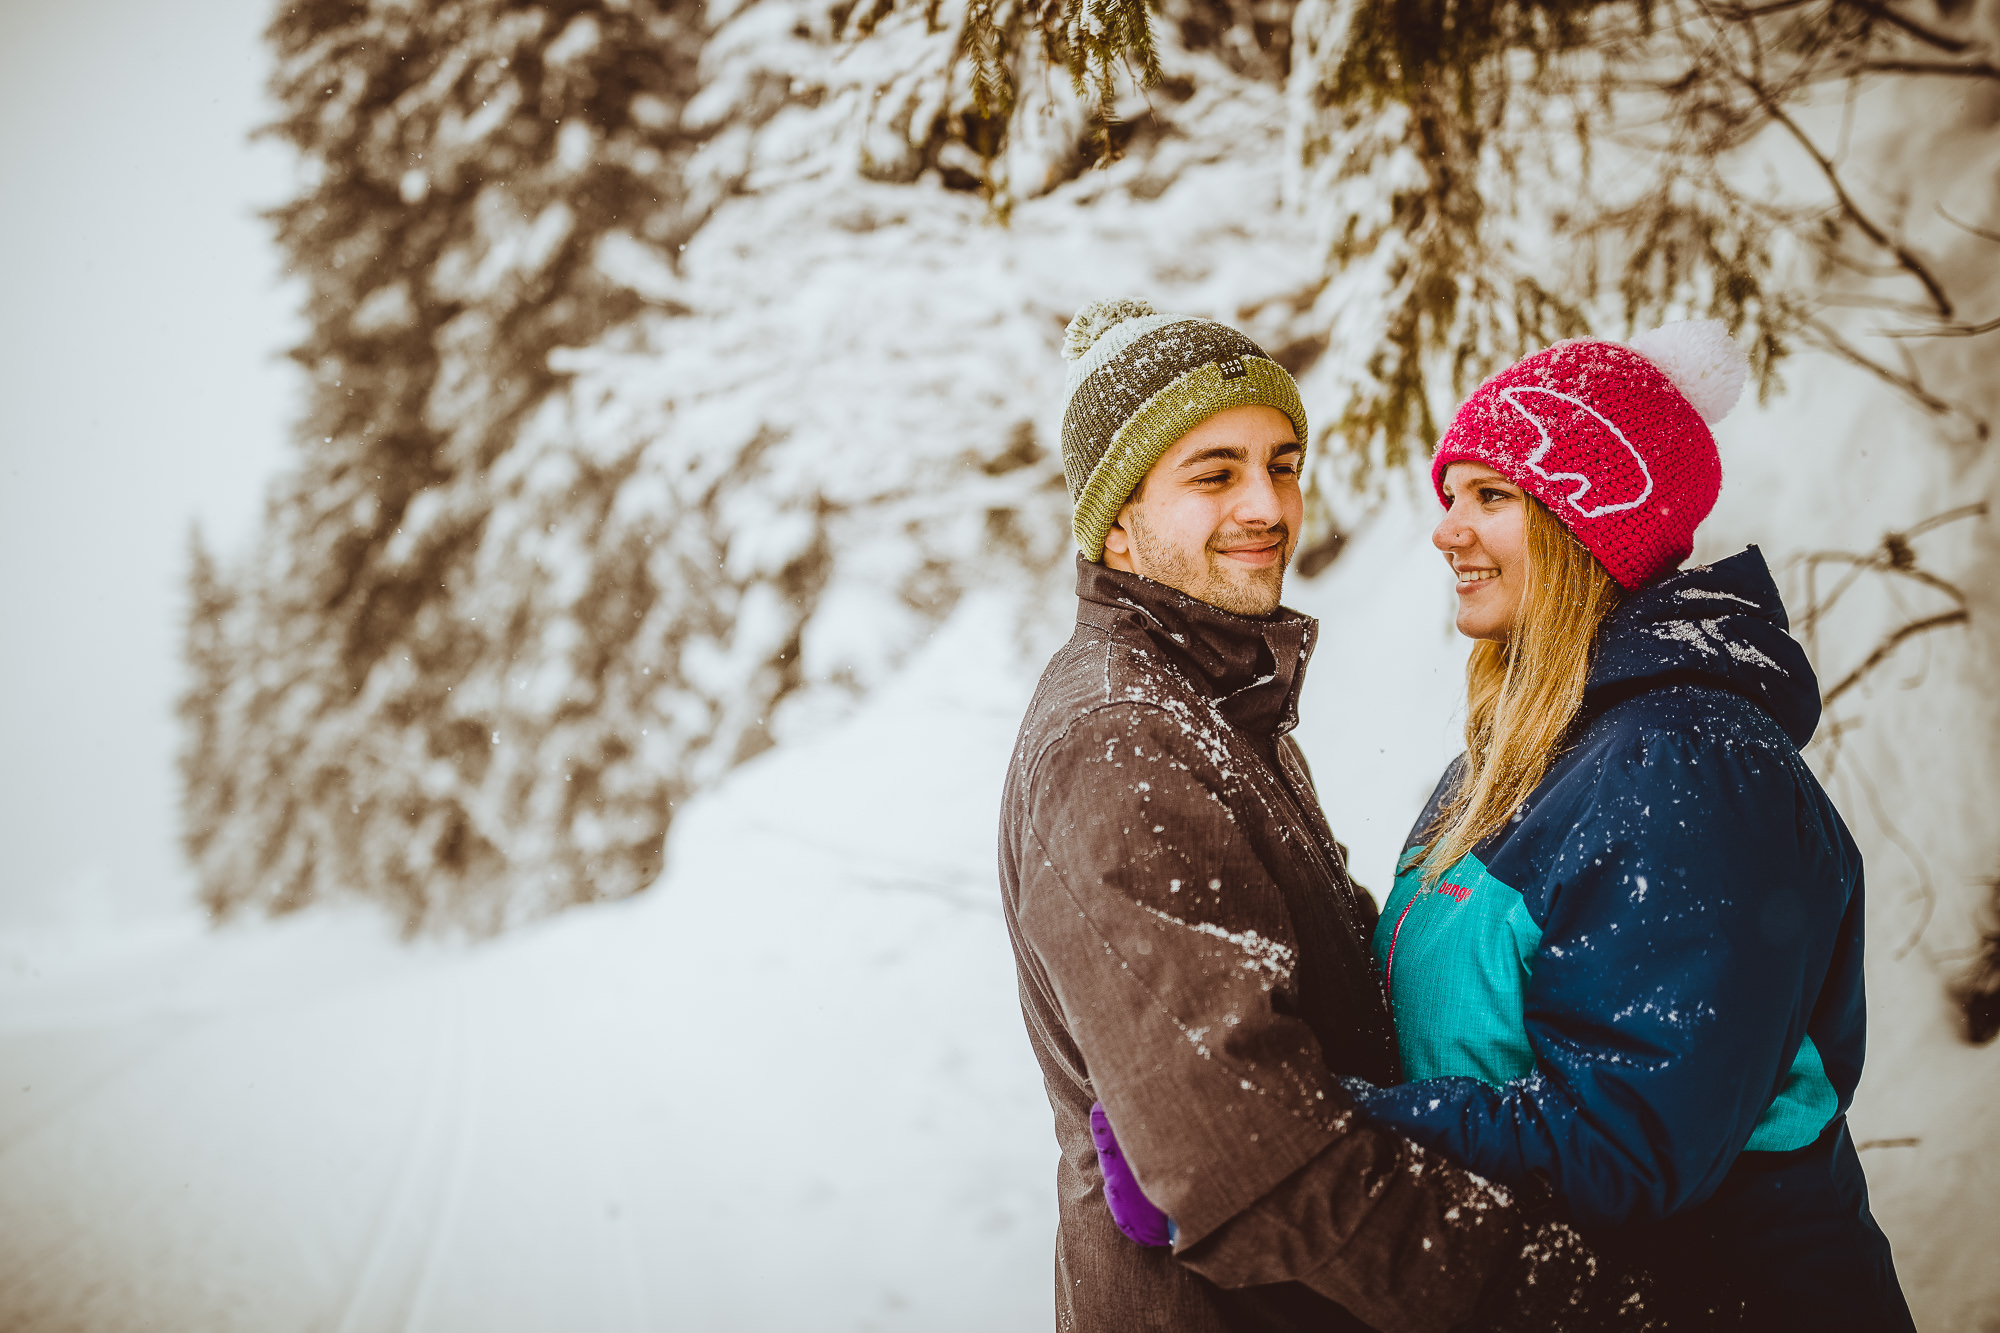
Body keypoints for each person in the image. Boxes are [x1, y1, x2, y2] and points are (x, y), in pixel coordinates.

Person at [998, 298, 1647, 1332]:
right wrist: (1538, 1294)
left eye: (1282, 463)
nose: (1265, 503)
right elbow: (1244, 1156)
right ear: (1116, 518)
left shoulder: (1203, 704)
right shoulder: (1119, 743)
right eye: (1211, 473)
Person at [1343, 322, 1915, 1328]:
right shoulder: (1512, 755)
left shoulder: (1687, 765)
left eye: (1489, 497)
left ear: (1584, 525)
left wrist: (1323, 1128)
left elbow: (1628, 1142)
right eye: (1450, 497)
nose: (1444, 530)